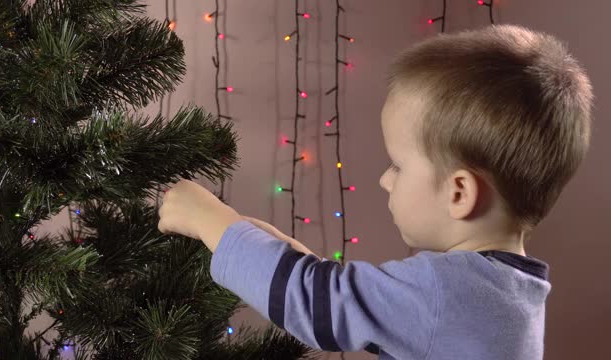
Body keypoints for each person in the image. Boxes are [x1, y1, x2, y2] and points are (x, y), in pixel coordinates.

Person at [158, 24, 594, 359]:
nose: (385, 179)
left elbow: (317, 302)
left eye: (398, 166)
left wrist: (209, 219)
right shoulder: (506, 291)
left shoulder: (448, 292)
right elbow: (358, 306)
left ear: (459, 193)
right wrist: (252, 240)